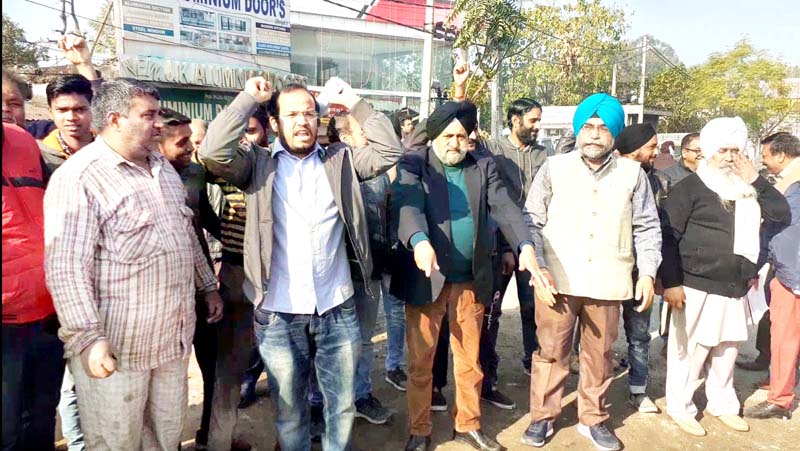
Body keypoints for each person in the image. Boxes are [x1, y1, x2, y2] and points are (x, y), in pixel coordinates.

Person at [200, 76, 403, 451]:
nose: (302, 122)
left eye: (309, 113)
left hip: (336, 307)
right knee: (290, 413)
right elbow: (213, 152)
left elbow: (390, 152)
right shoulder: (256, 165)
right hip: (278, 312)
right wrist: (248, 99)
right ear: (275, 123)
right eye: (291, 114)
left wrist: (355, 101)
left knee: (340, 408)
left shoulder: (340, 160)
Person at [44, 78, 223, 451]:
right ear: (114, 119)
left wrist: (206, 286)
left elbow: (186, 234)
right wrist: (88, 339)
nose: (159, 123)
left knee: (166, 435)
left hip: (172, 342)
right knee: (116, 441)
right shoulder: (79, 177)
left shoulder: (162, 168)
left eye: (159, 114)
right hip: (119, 348)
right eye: (149, 115)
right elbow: (65, 268)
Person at [391, 100, 550, 451]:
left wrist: (524, 244)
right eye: (447, 135)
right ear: (434, 137)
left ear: (470, 138)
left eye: (461, 136)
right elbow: (408, 205)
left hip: (469, 281)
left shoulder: (483, 166)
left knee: (469, 360)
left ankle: (468, 424)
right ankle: (420, 430)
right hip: (425, 278)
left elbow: (506, 208)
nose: (454, 142)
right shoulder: (414, 164)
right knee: (421, 363)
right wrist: (419, 241)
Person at [522, 93, 662, 451]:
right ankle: (543, 417)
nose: (595, 134)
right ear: (578, 130)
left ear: (614, 134)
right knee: (552, 351)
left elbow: (647, 227)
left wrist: (647, 273)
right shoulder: (554, 167)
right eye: (588, 126)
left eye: (602, 128)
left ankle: (593, 418)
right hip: (557, 280)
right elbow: (532, 221)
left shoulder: (633, 174)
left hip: (608, 281)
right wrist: (537, 266)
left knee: (599, 355)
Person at [660, 117, 790, 437]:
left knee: (727, 351)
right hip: (694, 284)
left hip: (735, 285)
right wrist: (673, 283)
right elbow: (668, 237)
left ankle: (722, 404)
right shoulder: (690, 187)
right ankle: (682, 406)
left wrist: (756, 179)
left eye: (735, 150)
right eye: (722, 150)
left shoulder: (748, 188)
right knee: (690, 352)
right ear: (707, 151)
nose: (729, 157)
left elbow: (781, 214)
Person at [481, 97, 552, 405]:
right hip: (501, 246)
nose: (537, 127)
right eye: (532, 121)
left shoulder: (544, 155)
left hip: (532, 246)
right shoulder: (494, 151)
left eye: (539, 121)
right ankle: (487, 377)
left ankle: (532, 363)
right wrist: (507, 247)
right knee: (491, 314)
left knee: (533, 309)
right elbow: (491, 203)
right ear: (514, 120)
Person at [2, 123, 65, 451]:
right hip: (5, 320)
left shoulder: (22, 140)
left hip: (46, 309)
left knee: (41, 416)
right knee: (6, 429)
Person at [611, 123, 669, 414]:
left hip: (640, 273)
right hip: (609, 270)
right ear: (635, 149)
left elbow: (658, 229)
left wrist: (654, 272)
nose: (655, 153)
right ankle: (593, 392)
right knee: (598, 334)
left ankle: (638, 389)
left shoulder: (659, 182)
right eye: (651, 147)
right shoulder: (607, 177)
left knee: (639, 333)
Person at [743, 132, 800, 419]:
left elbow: (781, 229)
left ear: (780, 155)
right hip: (790, 271)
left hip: (793, 275)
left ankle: (780, 399)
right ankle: (783, 382)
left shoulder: (793, 186)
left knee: (785, 336)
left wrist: (756, 264)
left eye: (765, 156)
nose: (763, 162)